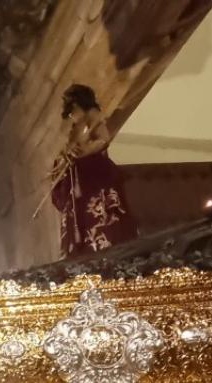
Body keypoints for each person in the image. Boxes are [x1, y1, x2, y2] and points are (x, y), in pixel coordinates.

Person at [49, 83, 138, 256]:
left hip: (93, 173)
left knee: (98, 213)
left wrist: (83, 152)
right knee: (78, 213)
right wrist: (64, 158)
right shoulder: (76, 128)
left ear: (78, 105)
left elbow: (103, 139)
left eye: (72, 111)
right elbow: (71, 148)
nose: (71, 116)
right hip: (79, 177)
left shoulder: (93, 116)